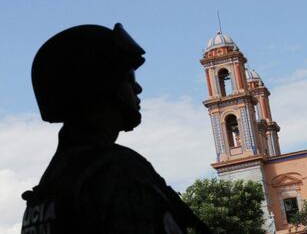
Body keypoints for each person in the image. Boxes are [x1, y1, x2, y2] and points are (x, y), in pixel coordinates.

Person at [21, 23, 210, 234]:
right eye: (129, 79)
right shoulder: (116, 170)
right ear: (102, 86)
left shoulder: (50, 185)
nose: (138, 88)